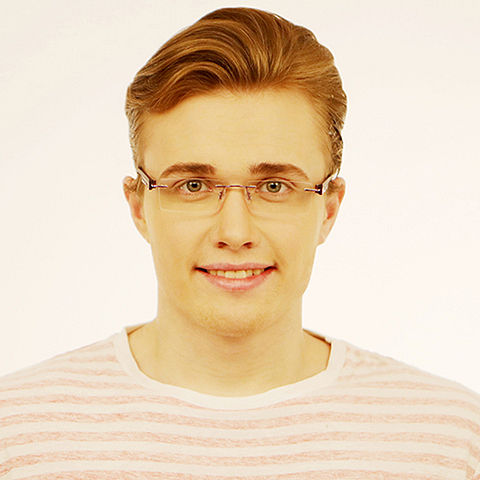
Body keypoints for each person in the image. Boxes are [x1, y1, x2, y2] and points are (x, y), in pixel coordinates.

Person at [1, 6, 479, 479]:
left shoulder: (451, 441)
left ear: (329, 209)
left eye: (274, 186)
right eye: (193, 185)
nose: (235, 233)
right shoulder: (18, 433)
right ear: (139, 206)